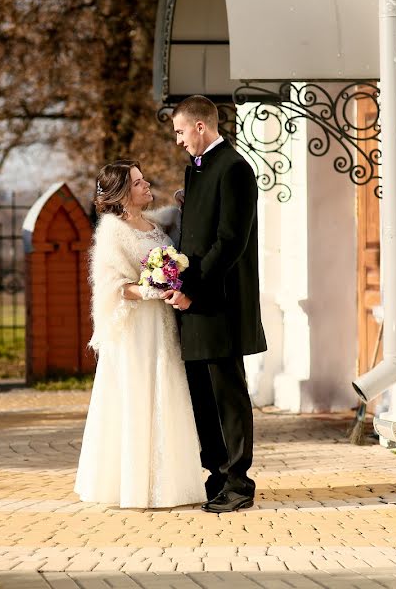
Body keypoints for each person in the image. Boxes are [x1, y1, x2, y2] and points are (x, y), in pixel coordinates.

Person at [74, 159, 206, 509]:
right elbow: (112, 286)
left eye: (144, 179)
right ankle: (130, 486)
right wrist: (149, 289)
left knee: (165, 391)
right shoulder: (112, 231)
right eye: (137, 182)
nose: (146, 185)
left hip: (160, 326)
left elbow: (179, 235)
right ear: (121, 192)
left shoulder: (156, 223)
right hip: (133, 331)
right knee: (136, 396)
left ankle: (171, 486)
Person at [165, 95, 267, 514]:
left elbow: (229, 243)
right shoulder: (197, 171)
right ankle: (217, 477)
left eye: (180, 131)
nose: (178, 141)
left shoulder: (235, 169)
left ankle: (239, 483)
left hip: (219, 302)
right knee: (202, 397)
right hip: (194, 303)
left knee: (228, 395)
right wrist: (177, 283)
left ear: (200, 127)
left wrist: (194, 290)